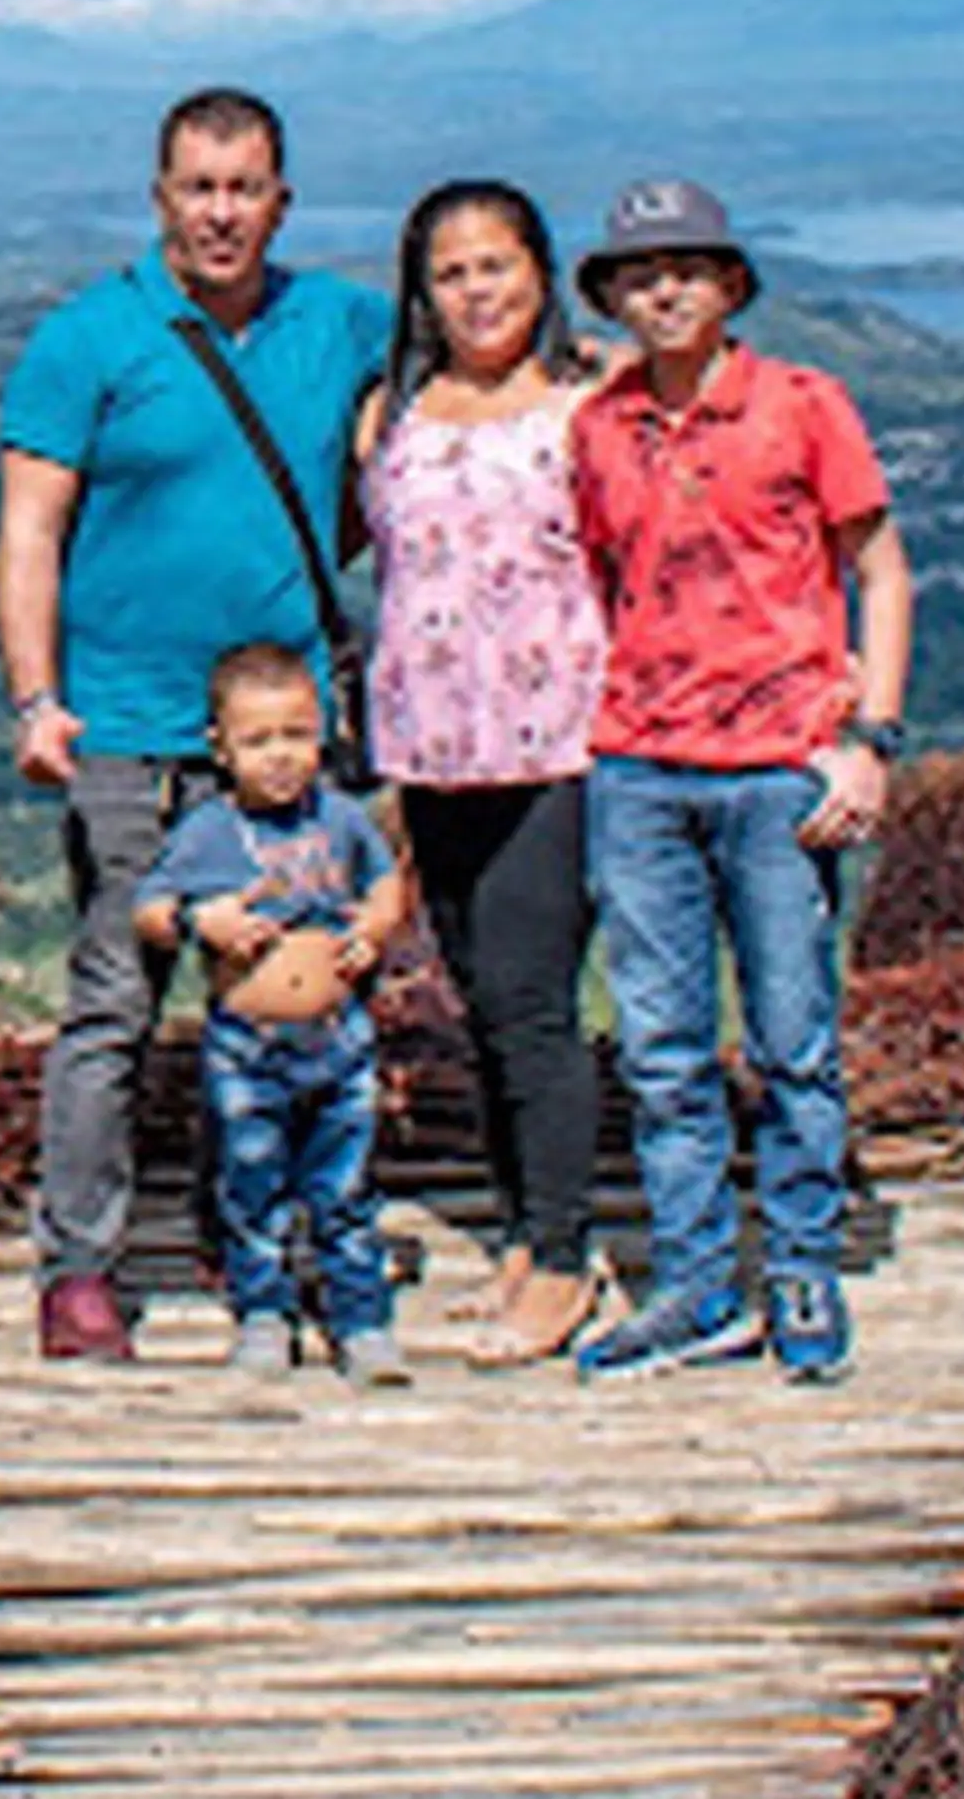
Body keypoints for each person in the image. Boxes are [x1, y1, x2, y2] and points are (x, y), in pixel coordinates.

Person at [0, 87, 392, 1362]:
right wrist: (36, 697)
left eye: (245, 188)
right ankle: (80, 1269)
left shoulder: (337, 320)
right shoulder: (86, 339)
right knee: (116, 1000)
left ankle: (253, 1231)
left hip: (281, 736)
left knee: (283, 985)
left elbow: (492, 346)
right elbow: (29, 531)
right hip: (125, 729)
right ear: (159, 196)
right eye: (198, 188)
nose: (221, 212)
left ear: (282, 198)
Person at [556, 178, 913, 1388]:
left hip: (777, 769)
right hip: (640, 767)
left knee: (792, 1039)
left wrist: (871, 736)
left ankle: (801, 1265)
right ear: (610, 295)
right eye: (638, 273)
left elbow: (881, 569)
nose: (663, 290)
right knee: (659, 1048)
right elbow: (605, 585)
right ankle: (701, 1284)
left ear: (731, 287)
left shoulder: (805, 408)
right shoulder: (598, 427)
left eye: (688, 269)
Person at [352, 179, 610, 1367]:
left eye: (495, 265)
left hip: (554, 744)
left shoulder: (586, 405)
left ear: (540, 271)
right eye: (450, 272)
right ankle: (521, 1240)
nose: (475, 291)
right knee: (480, 1008)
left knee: (529, 1004)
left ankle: (561, 1260)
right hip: (428, 752)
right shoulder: (394, 413)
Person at [132, 642, 417, 1383]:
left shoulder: (344, 819)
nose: (281, 757)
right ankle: (264, 1312)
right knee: (251, 1182)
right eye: (258, 742)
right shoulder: (207, 832)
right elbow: (150, 911)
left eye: (296, 735)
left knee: (345, 1186)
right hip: (247, 1044)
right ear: (220, 748)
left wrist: (374, 930)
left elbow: (386, 884)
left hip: (337, 1037)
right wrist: (206, 922)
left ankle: (361, 1319)